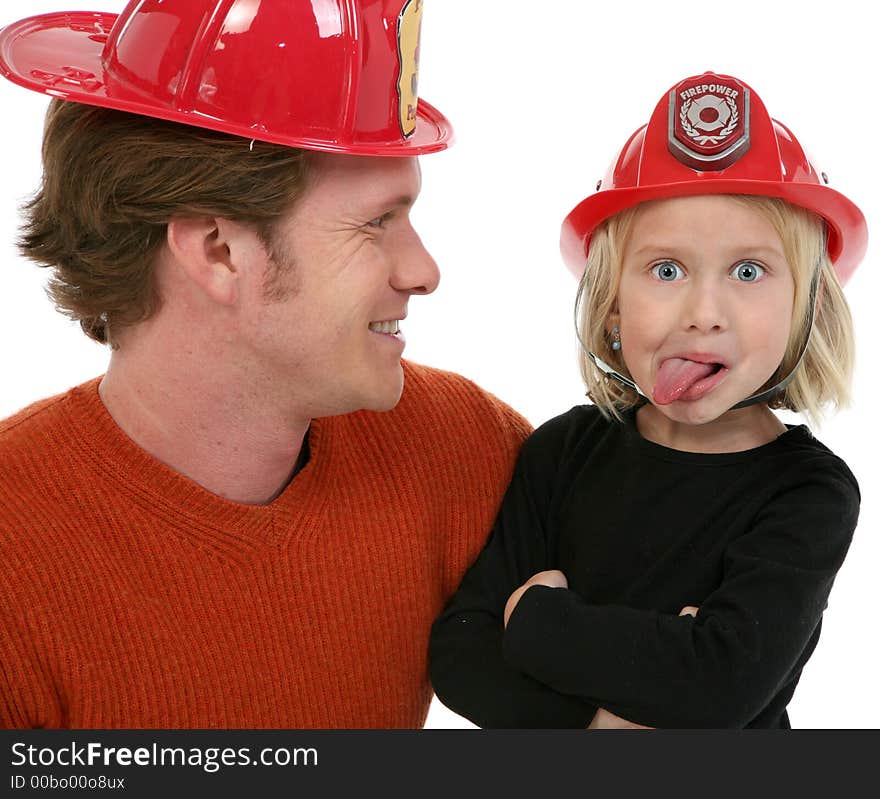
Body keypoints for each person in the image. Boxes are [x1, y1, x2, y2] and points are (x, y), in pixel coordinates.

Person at [0, 0, 531, 728]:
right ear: (219, 249)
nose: (423, 270)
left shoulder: (458, 447)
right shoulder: (14, 558)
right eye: (377, 220)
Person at [429, 71, 867, 729]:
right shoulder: (562, 452)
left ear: (807, 310)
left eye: (749, 271)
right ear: (612, 311)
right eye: (667, 270)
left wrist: (539, 621)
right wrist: (606, 724)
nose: (704, 312)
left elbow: (718, 685)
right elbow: (463, 651)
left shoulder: (808, 493)